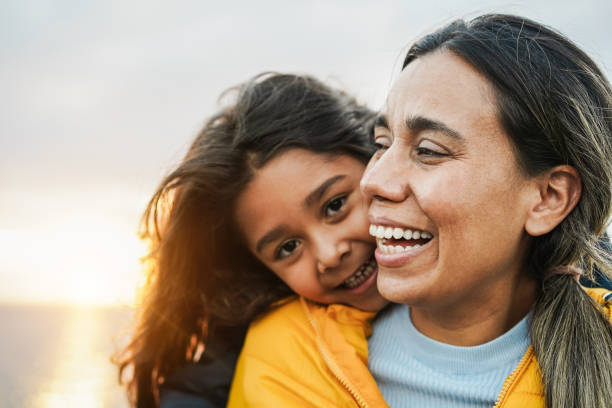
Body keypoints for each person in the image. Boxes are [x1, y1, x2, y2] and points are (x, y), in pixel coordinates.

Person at [361, 13, 612, 408]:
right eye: (381, 142)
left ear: (549, 197)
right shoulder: (291, 359)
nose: (373, 181)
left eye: (427, 151)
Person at [115, 72, 389, 407]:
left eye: (334, 206)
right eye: (288, 248)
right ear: (260, 269)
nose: (330, 254)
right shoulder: (258, 362)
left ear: (377, 156)